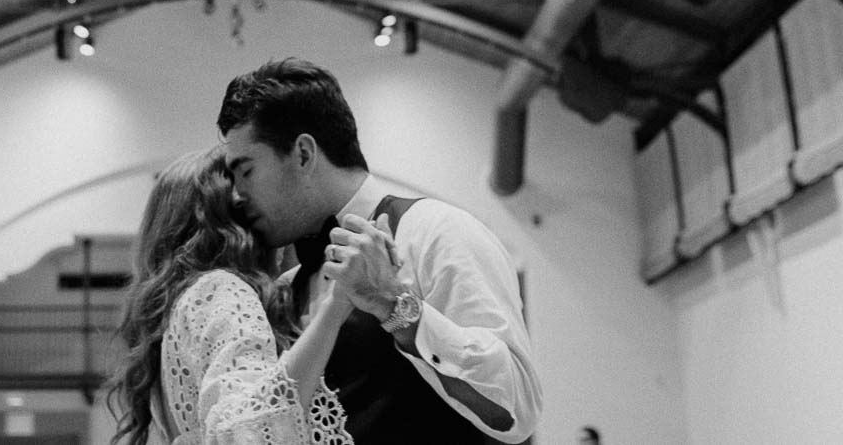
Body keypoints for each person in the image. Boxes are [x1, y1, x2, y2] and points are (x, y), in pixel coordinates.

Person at [217, 58, 542, 444]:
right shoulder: (288, 285)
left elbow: (518, 407)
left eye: (246, 170)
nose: (237, 195)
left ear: (304, 154)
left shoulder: (436, 232)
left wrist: (396, 306)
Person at [108, 147, 356, 445]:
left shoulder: (180, 306)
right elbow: (252, 432)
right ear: (234, 224)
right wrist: (335, 309)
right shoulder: (221, 291)